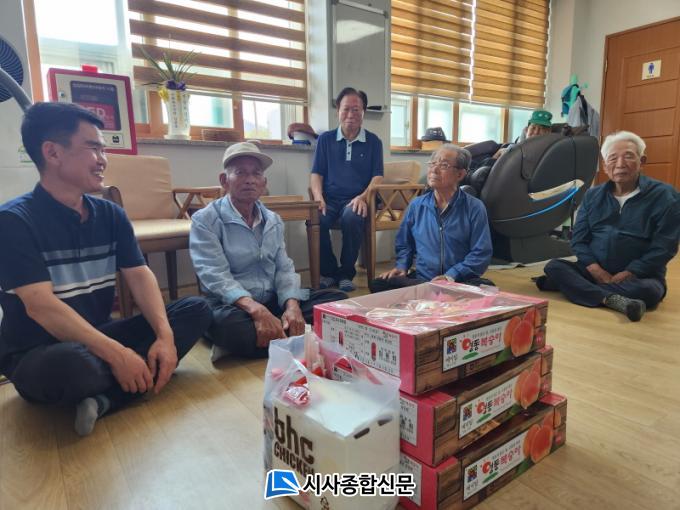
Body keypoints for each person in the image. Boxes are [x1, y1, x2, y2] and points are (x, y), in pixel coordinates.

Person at [0, 102, 212, 436]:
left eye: (103, 149)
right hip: (39, 353)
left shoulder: (110, 214)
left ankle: (105, 399)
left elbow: (139, 275)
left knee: (197, 309)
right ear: (52, 153)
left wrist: (165, 337)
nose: (103, 159)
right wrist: (118, 355)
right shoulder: (13, 221)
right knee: (73, 366)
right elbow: (40, 306)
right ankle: (124, 381)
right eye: (93, 148)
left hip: (97, 333)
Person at [190, 142, 347, 360]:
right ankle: (296, 337)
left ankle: (268, 336)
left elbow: (284, 267)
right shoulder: (205, 220)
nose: (250, 180)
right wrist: (257, 310)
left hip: (272, 299)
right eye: (240, 172)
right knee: (226, 326)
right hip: (234, 305)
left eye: (256, 173)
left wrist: (292, 306)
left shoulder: (273, 220)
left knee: (337, 302)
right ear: (224, 180)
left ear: (264, 183)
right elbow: (214, 275)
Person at [535, 131, 680, 321]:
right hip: (593, 271)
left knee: (650, 290)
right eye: (612, 158)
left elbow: (664, 247)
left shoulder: (665, 196)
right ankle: (611, 298)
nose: (620, 164)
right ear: (605, 166)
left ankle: (573, 287)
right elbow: (578, 240)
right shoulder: (593, 195)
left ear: (642, 161)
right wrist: (595, 269)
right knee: (554, 266)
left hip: (640, 277)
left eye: (629, 156)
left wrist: (631, 272)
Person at [369, 144, 494, 293]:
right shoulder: (416, 205)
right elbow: (404, 244)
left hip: (458, 281)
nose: (434, 170)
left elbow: (481, 253)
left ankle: (432, 295)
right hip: (424, 279)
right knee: (379, 284)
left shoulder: (475, 207)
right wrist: (402, 266)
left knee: (487, 288)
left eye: (443, 165)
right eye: (433, 163)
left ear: (460, 174)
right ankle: (433, 294)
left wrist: (450, 276)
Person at [310, 87, 384, 292]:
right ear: (338, 111)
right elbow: (316, 174)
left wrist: (363, 197)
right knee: (317, 218)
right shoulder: (325, 140)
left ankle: (345, 273)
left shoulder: (374, 142)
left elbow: (378, 177)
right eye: (346, 109)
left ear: (364, 112)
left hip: (357, 199)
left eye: (356, 109)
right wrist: (318, 197)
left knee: (352, 216)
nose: (350, 114)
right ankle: (329, 272)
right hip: (330, 199)